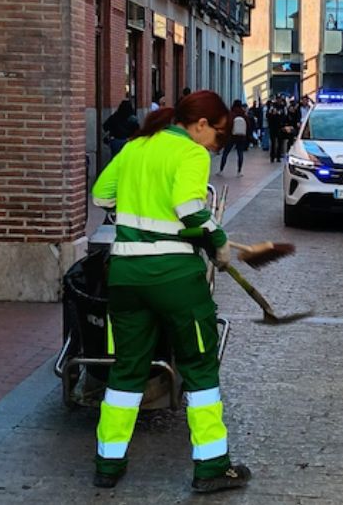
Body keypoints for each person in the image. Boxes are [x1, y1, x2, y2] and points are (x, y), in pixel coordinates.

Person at [89, 91, 252, 492]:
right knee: (199, 367)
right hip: (176, 279)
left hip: (125, 276)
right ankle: (211, 467)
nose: (216, 145)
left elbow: (101, 195)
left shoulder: (136, 146)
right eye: (218, 135)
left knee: (127, 369)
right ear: (200, 125)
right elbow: (188, 208)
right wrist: (218, 239)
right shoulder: (191, 153)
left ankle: (108, 464)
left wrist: (139, 214)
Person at [219, 101, 250, 176]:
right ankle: (239, 171)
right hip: (241, 136)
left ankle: (221, 170)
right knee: (240, 153)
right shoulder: (243, 114)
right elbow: (248, 125)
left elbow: (227, 125)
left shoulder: (231, 114)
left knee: (226, 153)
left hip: (231, 136)